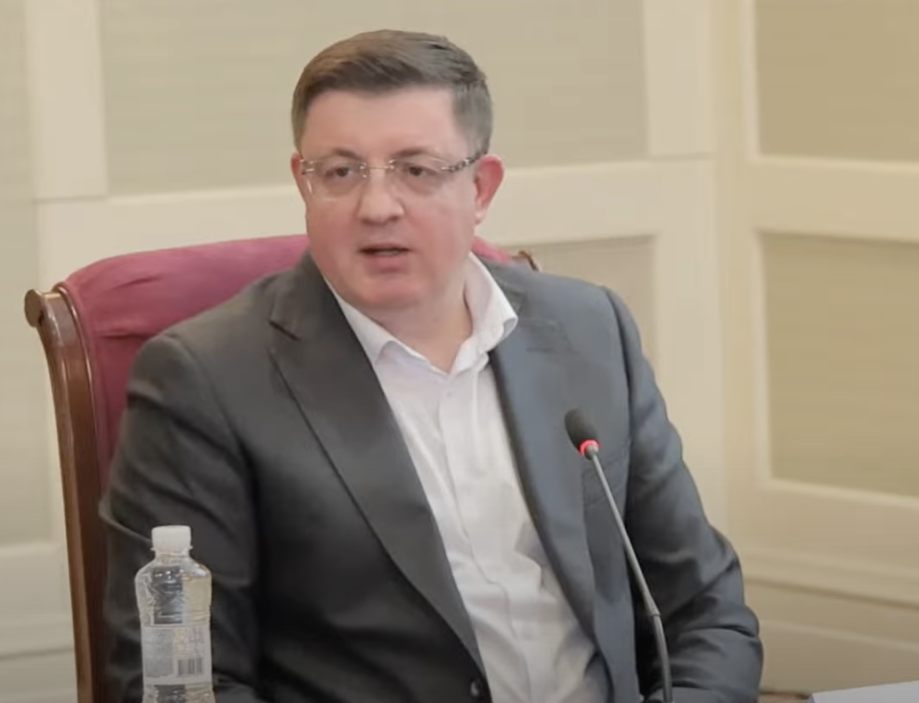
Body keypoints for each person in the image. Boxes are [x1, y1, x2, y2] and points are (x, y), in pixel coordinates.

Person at [102, 29, 763, 703]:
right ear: (303, 182)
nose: (376, 207)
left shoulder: (589, 330)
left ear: (481, 187)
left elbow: (704, 608)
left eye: (416, 170)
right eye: (341, 172)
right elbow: (186, 686)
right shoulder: (205, 380)